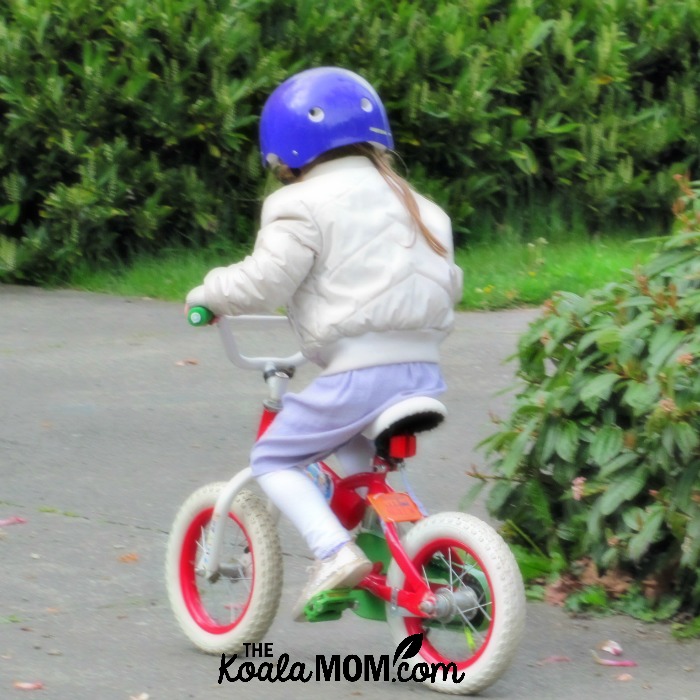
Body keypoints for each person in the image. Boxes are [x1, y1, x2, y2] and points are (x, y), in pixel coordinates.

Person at [185, 66, 463, 621]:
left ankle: (334, 553)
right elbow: (445, 283)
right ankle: (429, 558)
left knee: (273, 457)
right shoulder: (421, 204)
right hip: (422, 370)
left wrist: (210, 294)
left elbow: (266, 281)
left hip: (361, 374)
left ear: (287, 148)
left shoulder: (300, 203)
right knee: (362, 466)